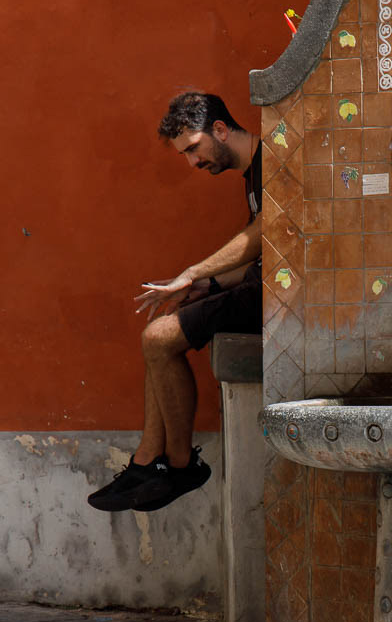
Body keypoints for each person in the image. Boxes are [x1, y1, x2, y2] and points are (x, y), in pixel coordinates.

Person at [88, 92, 262, 512]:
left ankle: (180, 465)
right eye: (186, 154)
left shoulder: (273, 159)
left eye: (194, 148)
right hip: (259, 287)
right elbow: (259, 255)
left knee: (159, 337)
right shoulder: (253, 172)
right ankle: (149, 461)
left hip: (278, 297)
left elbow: (265, 232)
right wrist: (206, 285)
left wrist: (192, 273)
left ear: (220, 129)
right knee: (159, 334)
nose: (193, 162)